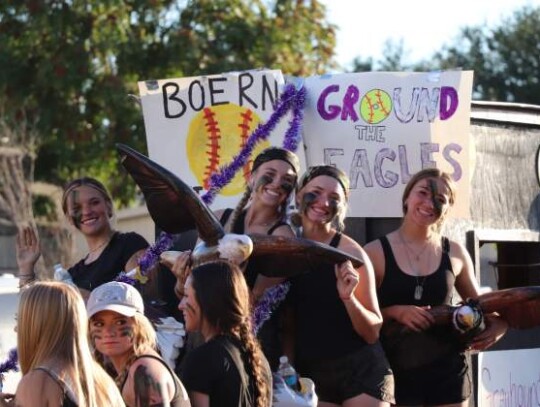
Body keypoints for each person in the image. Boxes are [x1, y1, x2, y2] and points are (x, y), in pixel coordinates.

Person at [364, 168, 508, 406]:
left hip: (448, 373)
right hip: (395, 371)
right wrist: (395, 312)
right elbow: (359, 315)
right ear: (407, 197)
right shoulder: (374, 252)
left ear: (447, 209)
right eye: (422, 192)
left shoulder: (456, 253)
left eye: (440, 200)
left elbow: (481, 306)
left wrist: (501, 325)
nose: (429, 203)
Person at [171, 147, 300, 369]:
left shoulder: (282, 237)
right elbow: (186, 290)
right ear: (251, 177)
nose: (277, 183)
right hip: (201, 336)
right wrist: (182, 278)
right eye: (270, 174)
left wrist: (233, 269)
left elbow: (254, 301)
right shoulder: (220, 218)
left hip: (248, 344)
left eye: (287, 180)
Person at [286, 165, 394, 407]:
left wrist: (349, 299)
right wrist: (289, 370)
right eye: (316, 192)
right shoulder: (286, 246)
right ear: (298, 195)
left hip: (360, 370)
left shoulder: (350, 254)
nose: (324, 202)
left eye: (334, 198)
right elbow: (287, 323)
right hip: (311, 373)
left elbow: (372, 331)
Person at [16, 177, 149, 296]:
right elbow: (33, 312)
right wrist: (26, 268)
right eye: (76, 208)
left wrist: (84, 298)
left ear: (108, 206)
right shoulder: (72, 275)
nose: (86, 211)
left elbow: (143, 298)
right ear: (69, 219)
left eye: (94, 202)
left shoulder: (131, 244)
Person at [0, 281, 125, 407]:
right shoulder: (102, 382)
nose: (16, 328)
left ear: (37, 325)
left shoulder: (39, 382)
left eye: (20, 319)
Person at [178, 261, 272, 407]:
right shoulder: (258, 358)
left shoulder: (202, 360)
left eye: (186, 295)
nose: (180, 305)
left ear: (207, 300)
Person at [87, 281, 191, 407]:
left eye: (120, 322)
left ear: (139, 324)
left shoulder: (145, 372)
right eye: (99, 324)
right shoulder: (124, 366)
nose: (108, 332)